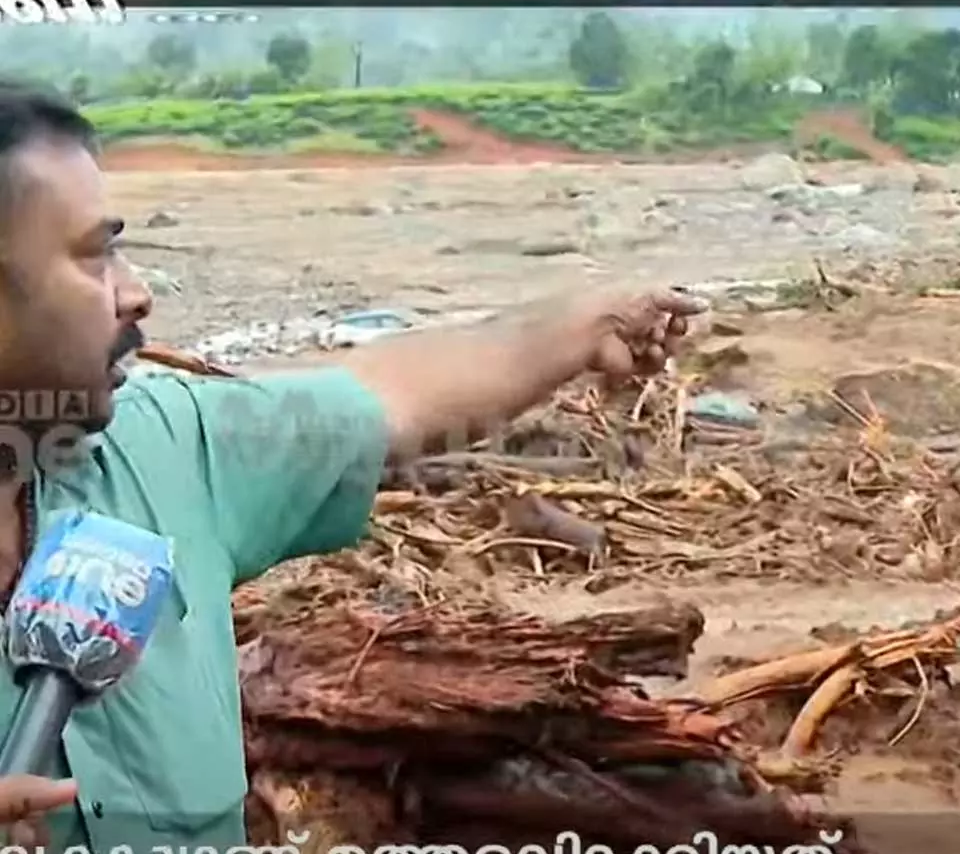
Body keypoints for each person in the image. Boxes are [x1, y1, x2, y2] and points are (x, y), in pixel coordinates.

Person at [0, 80, 703, 849]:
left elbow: (390, 389)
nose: (135, 294)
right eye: (95, 255)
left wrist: (582, 324)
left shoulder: (166, 450)